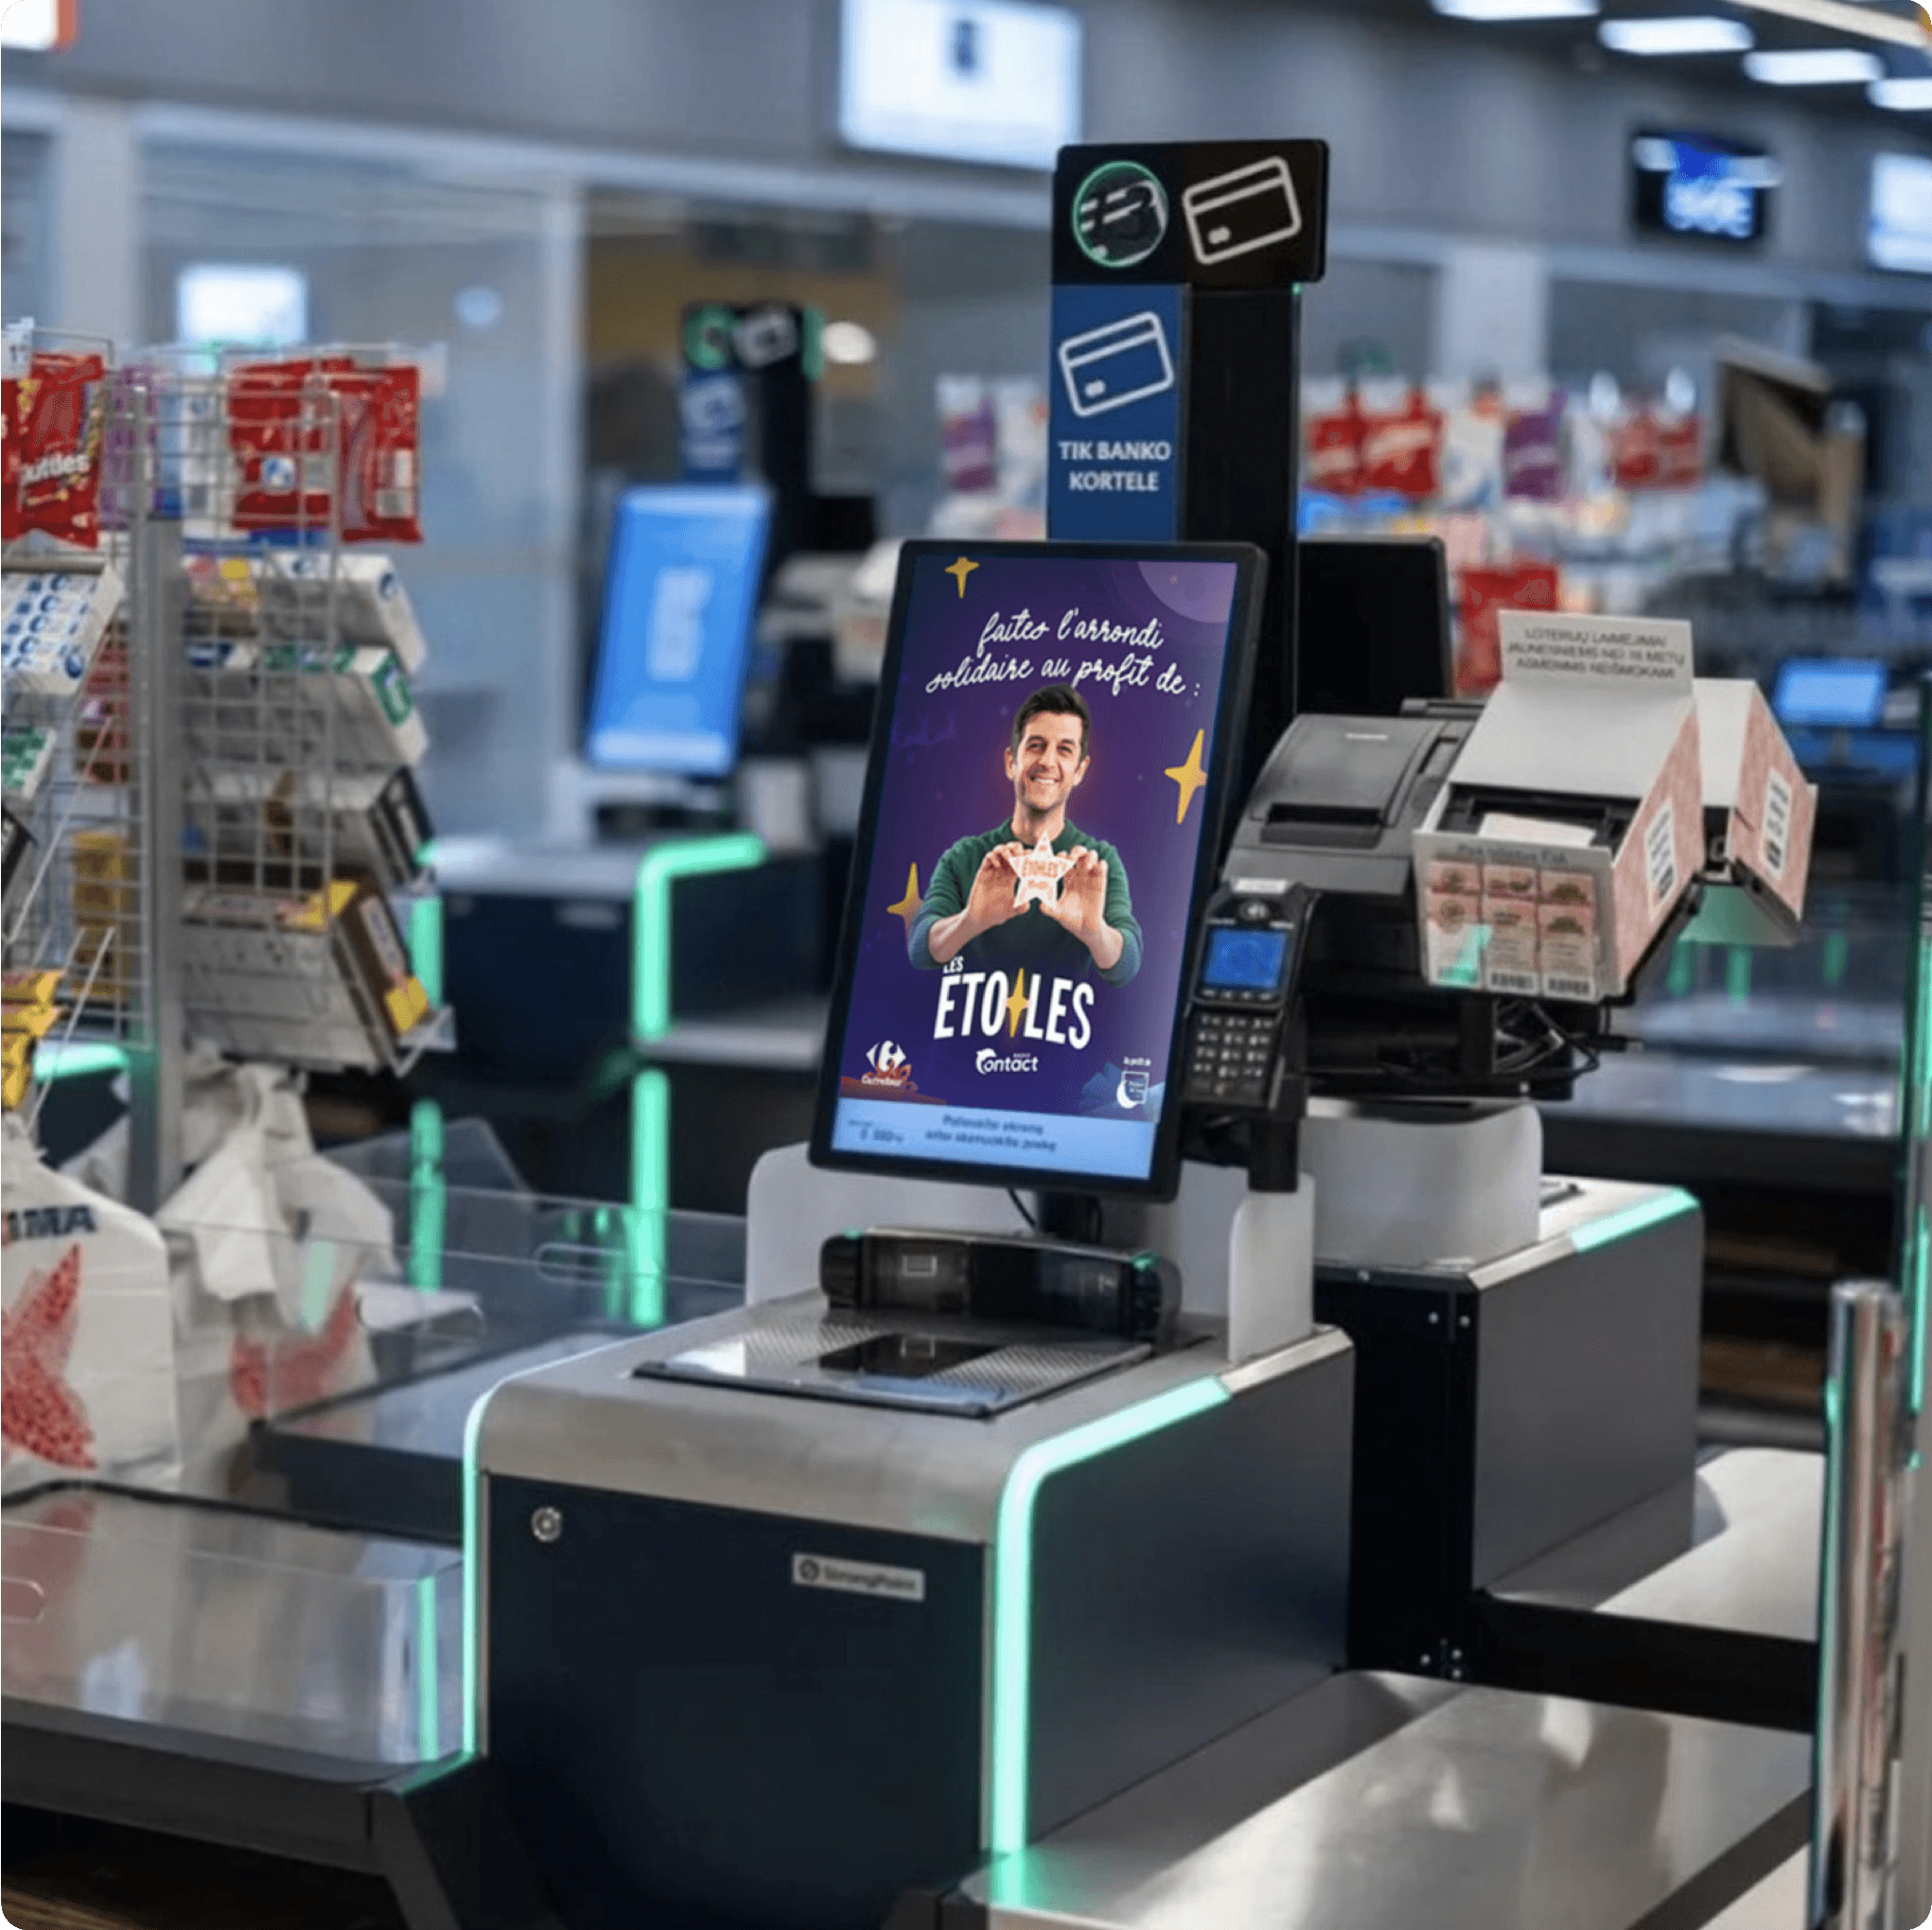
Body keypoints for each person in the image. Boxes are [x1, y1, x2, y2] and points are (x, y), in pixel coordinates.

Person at [909, 684, 1142, 986]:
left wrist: (1094, 932)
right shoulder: (964, 857)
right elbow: (920, 948)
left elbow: (1128, 962)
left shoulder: (1097, 863)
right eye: (1035, 745)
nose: (1047, 761)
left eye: (1064, 749)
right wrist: (970, 921)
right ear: (1011, 762)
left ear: (1080, 771)